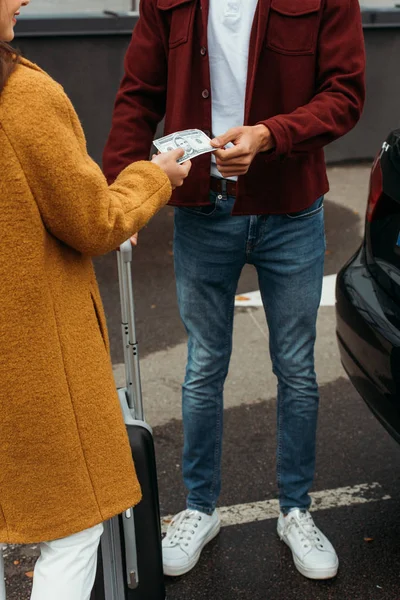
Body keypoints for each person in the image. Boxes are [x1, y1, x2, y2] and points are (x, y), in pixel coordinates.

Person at [103, 0, 366, 581]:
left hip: (292, 209)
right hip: (201, 210)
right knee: (203, 368)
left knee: (296, 367)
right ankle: (200, 509)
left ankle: (295, 510)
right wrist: (120, 195)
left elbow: (345, 92)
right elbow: (138, 93)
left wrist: (271, 136)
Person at [0, 1, 191, 598]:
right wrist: (155, 174)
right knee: (75, 528)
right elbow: (95, 221)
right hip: (27, 352)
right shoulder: (22, 96)